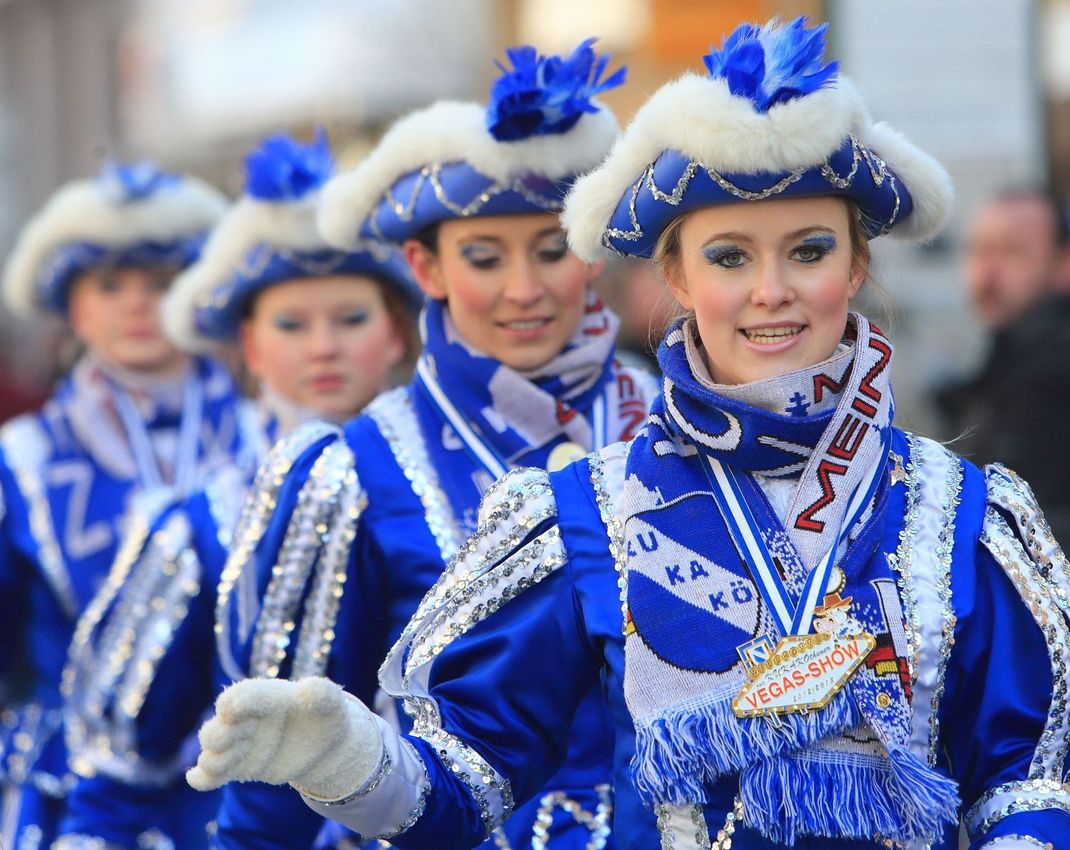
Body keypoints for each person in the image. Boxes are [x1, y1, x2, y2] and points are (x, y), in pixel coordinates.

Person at [185, 18, 1070, 850]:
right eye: (730, 257)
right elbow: (464, 793)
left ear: (857, 265)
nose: (773, 291)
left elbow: (1027, 786)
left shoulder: (960, 514)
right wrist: (350, 762)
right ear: (677, 278)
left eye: (808, 250)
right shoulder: (586, 515)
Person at [201, 39, 656, 850]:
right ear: (426, 266)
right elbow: (286, 755)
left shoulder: (674, 425)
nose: (524, 289)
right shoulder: (351, 472)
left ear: (590, 253)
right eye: (484, 257)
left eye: (552, 250)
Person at [54, 131, 419, 850]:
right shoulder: (205, 519)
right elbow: (125, 757)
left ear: (399, 336)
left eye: (351, 319)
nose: (323, 347)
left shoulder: (465, 490)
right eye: (291, 324)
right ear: (250, 348)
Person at [0, 162, 252, 849]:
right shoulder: (20, 456)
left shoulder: (270, 438)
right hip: (72, 782)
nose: (138, 305)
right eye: (110, 286)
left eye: (164, 284)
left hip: (243, 773)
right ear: (74, 309)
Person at [936, 188, 1070, 543]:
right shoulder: (1009, 357)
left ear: (1063, 263)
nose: (987, 271)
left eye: (1013, 251)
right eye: (978, 250)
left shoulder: (1050, 372)